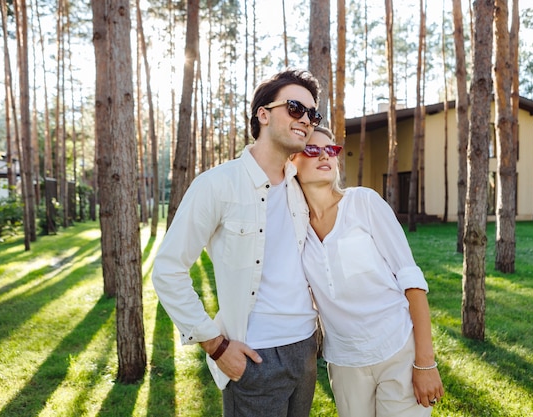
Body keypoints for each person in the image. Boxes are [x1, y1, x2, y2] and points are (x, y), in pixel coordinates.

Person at [151, 69, 323, 417]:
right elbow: (168, 269)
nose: (305, 119)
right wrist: (214, 345)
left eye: (312, 113)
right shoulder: (216, 184)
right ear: (262, 114)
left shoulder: (301, 187)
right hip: (254, 357)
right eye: (294, 107)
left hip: (305, 348)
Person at [290, 126, 444, 417]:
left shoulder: (364, 202)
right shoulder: (294, 227)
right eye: (312, 149)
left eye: (331, 149)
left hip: (397, 349)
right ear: (290, 162)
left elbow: (411, 281)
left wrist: (425, 363)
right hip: (344, 362)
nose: (325, 155)